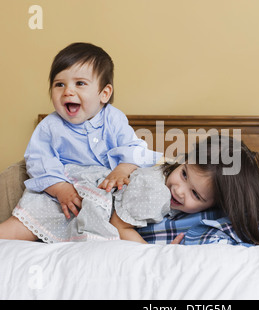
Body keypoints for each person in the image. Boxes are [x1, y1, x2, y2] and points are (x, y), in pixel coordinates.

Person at [5, 134, 259, 244]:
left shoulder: (168, 176)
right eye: (184, 174)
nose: (180, 189)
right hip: (66, 202)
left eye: (196, 195)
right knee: (11, 234)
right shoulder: (155, 189)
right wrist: (156, 255)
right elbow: (119, 225)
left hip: (76, 201)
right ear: (183, 159)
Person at [24, 42, 161, 219]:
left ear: (104, 93)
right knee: (35, 206)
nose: (68, 91)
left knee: (147, 183)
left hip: (108, 186)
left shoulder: (113, 118)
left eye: (80, 83)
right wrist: (60, 188)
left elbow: (134, 148)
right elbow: (39, 160)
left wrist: (121, 170)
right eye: (59, 84)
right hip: (70, 189)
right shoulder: (50, 127)